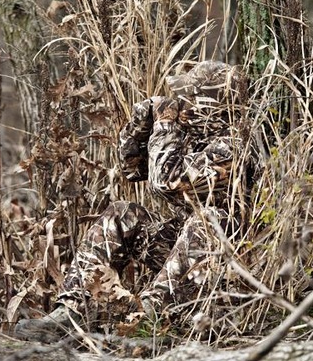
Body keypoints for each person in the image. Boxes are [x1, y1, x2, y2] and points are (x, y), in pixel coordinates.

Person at [16, 61, 251, 340]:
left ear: (212, 106)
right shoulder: (194, 137)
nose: (181, 104)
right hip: (187, 254)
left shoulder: (233, 145)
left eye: (190, 97)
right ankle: (71, 313)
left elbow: (165, 182)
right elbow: (133, 170)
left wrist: (165, 125)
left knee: (209, 220)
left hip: (231, 264)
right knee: (122, 213)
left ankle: (148, 322)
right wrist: (143, 122)